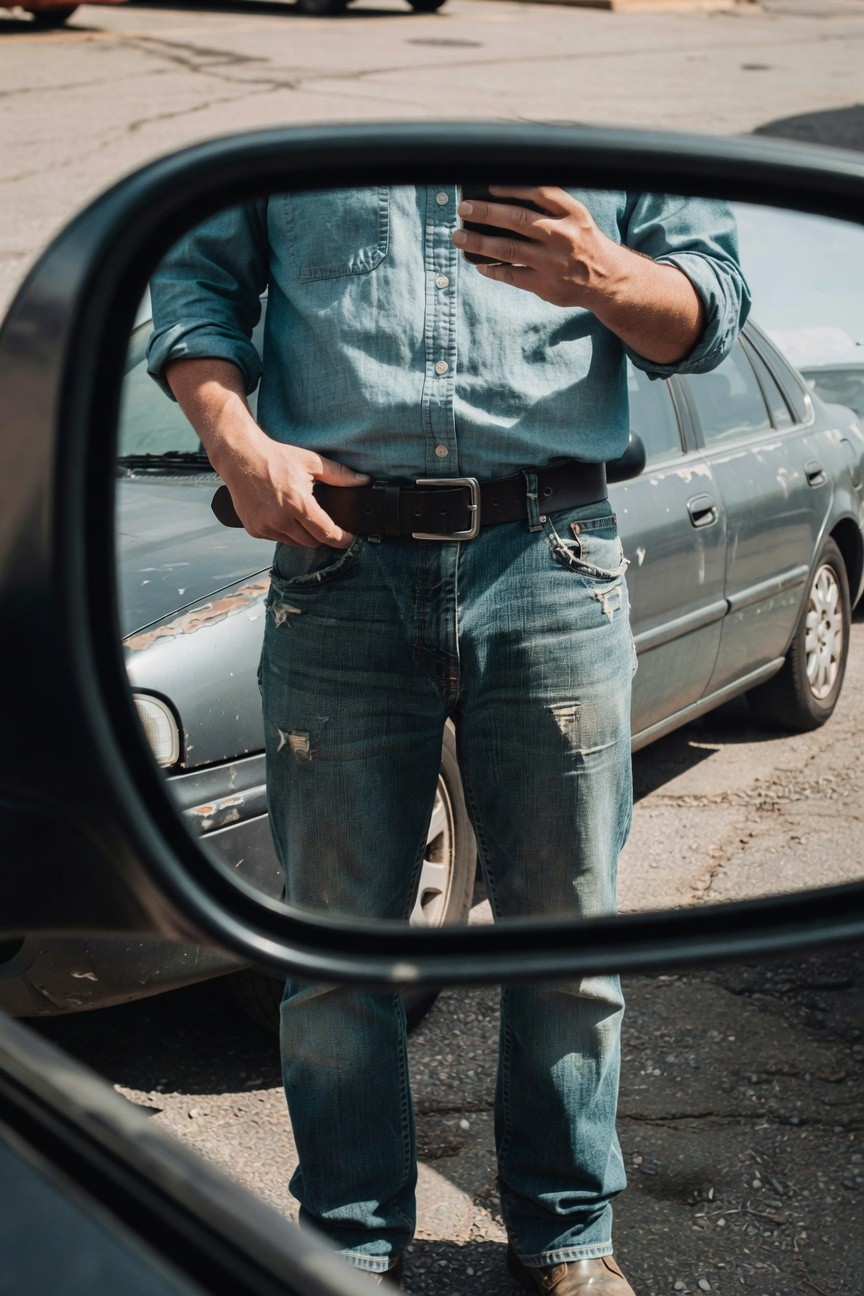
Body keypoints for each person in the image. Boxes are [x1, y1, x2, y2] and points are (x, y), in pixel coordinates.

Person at [148, 183, 750, 1295]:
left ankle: (567, 1231)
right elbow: (193, 290)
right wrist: (234, 440)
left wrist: (602, 273)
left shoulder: (588, 104)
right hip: (336, 560)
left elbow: (709, 312)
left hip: (552, 556)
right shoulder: (310, 97)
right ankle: (346, 1245)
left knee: (566, 938)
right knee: (332, 950)